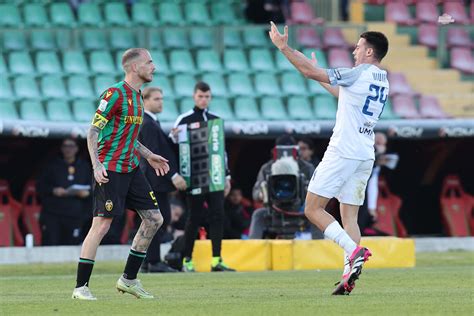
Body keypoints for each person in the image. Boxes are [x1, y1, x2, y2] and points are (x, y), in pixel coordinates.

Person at [269, 22, 389, 295]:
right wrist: (322, 77)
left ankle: (354, 251)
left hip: (343, 150)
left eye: (358, 47)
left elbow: (309, 71)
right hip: (364, 154)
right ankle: (349, 274)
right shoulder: (382, 78)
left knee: (312, 208)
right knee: (350, 218)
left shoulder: (358, 73)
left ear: (370, 52)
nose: (354, 51)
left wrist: (284, 47)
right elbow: (343, 94)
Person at [72, 48, 170, 300]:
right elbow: (92, 132)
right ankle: (80, 288)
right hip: (111, 169)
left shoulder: (138, 97)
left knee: (154, 219)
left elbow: (129, 138)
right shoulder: (114, 94)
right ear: (135, 67)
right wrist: (96, 166)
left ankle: (129, 279)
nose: (154, 67)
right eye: (150, 62)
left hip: (131, 167)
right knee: (102, 225)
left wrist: (148, 155)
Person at [170, 81, 234, 272]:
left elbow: (222, 151)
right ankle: (187, 260)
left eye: (207, 96)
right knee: (194, 217)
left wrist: (227, 177)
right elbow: (174, 145)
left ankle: (216, 260)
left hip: (214, 176)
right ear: (194, 96)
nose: (204, 100)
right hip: (194, 176)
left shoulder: (216, 119)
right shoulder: (184, 119)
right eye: (200, 96)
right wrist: (174, 136)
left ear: (210, 97)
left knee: (217, 215)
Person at [138, 86, 187, 273]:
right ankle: (153, 261)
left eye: (161, 98)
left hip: (155, 180)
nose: (161, 102)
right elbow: (154, 154)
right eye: (156, 99)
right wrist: (174, 175)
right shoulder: (148, 123)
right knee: (158, 220)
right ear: (146, 101)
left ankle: (146, 262)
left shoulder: (152, 122)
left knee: (154, 221)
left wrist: (170, 139)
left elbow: (160, 146)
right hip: (154, 179)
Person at [249, 134, 315, 239]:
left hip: (300, 209)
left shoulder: (306, 168)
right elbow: (256, 193)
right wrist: (263, 193)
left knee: (316, 214)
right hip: (274, 209)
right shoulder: (267, 168)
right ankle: (253, 251)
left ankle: (320, 250)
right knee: (258, 215)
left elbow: (317, 192)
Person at [37, 138, 91, 246]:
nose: (68, 149)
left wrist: (87, 193)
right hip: (53, 213)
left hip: (75, 214)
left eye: (71, 146)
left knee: (73, 243)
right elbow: (40, 186)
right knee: (51, 242)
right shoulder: (52, 165)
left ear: (76, 148)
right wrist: (53, 190)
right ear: (61, 148)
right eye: (65, 146)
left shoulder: (84, 167)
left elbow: (93, 187)